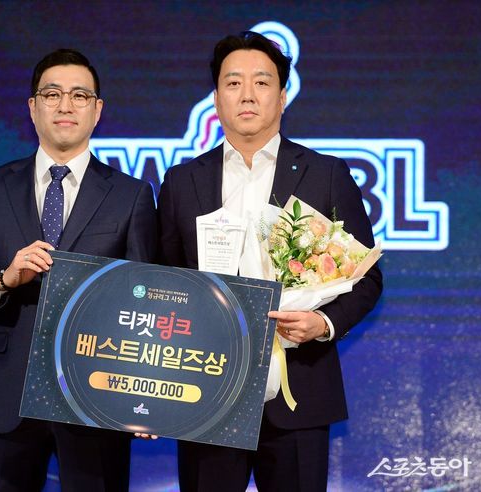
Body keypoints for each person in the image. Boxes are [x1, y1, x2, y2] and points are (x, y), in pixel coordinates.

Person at [158, 32, 382, 491]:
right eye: (233, 83)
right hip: (206, 393)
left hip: (299, 390)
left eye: (261, 83)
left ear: (282, 97)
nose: (247, 95)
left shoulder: (326, 174)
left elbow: (367, 277)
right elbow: (165, 283)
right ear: (216, 98)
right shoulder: (181, 182)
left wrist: (323, 323)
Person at [0, 48, 157, 492]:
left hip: (95, 397)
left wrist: (142, 398)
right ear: (33, 107)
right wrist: (3, 280)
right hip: (3, 395)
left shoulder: (131, 195)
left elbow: (145, 300)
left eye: (79, 95)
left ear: (97, 110)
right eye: (52, 94)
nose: (65, 105)